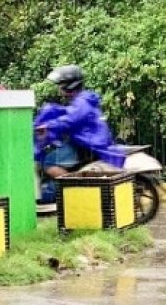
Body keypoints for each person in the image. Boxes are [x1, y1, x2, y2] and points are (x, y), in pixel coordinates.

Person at [35, 65, 115, 203]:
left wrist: (48, 125)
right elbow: (69, 116)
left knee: (48, 163)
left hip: (87, 145)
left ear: (69, 86)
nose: (59, 88)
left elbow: (70, 120)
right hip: (86, 141)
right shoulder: (82, 99)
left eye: (61, 85)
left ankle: (77, 191)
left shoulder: (81, 102)